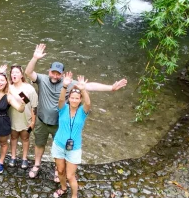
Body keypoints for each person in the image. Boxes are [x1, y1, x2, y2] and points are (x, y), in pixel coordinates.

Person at [25, 43, 127, 180]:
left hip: (60, 124)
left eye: (58, 73)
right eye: (53, 72)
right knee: (39, 143)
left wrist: (111, 88)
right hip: (42, 121)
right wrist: (35, 58)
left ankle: (58, 169)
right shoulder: (42, 79)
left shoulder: (68, 83)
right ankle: (37, 165)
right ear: (49, 71)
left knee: (59, 148)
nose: (55, 75)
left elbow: (89, 86)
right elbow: (28, 72)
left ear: (62, 74)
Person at [52, 73, 89, 198]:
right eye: (72, 98)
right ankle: (63, 188)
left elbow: (89, 103)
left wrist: (83, 89)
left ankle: (74, 197)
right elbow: (61, 99)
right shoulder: (63, 109)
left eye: (77, 98)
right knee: (60, 171)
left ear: (80, 100)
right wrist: (65, 86)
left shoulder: (82, 112)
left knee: (70, 175)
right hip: (59, 145)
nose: (74, 100)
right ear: (69, 99)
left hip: (74, 148)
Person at [7, 64, 38, 169]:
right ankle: (13, 156)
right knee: (13, 137)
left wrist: (33, 122)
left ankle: (24, 158)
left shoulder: (29, 88)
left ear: (21, 75)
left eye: (17, 72)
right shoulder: (8, 87)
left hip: (26, 118)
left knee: (25, 138)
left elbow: (32, 105)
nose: (14, 75)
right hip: (13, 118)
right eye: (12, 73)